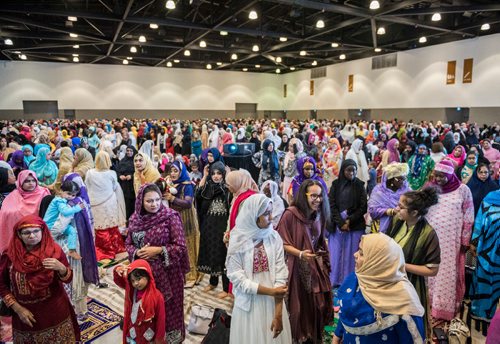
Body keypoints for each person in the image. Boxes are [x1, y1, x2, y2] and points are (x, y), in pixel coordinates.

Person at [332, 233, 425, 344]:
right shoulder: (355, 279)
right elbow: (345, 313)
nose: (355, 254)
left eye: (361, 253)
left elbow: (413, 339)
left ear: (378, 262)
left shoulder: (403, 301)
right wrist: (336, 338)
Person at [0, 215, 80, 343]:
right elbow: (2, 285)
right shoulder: (10, 255)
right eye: (26, 233)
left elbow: (68, 279)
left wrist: (62, 268)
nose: (32, 236)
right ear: (19, 235)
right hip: (25, 315)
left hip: (55, 310)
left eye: (36, 231)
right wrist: (18, 309)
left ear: (43, 231)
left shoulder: (54, 250)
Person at [126, 184, 190, 343]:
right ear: (141, 201)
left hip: (169, 274)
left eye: (157, 200)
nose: (154, 204)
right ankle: (148, 336)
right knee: (147, 306)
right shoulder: (134, 219)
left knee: (169, 307)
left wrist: (158, 250)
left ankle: (170, 338)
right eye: (149, 201)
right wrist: (136, 252)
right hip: (144, 274)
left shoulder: (170, 216)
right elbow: (128, 243)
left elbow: (180, 247)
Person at [226, 194, 292, 344]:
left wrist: (278, 314)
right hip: (248, 306)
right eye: (266, 213)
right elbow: (238, 279)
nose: (272, 216)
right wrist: (271, 291)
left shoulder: (273, 237)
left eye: (271, 212)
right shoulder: (238, 240)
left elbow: (281, 273)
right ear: (253, 215)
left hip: (273, 303)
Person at [277, 179, 332, 343]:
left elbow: (320, 239)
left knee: (316, 304)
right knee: (299, 305)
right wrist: (300, 254)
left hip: (315, 265)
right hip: (297, 267)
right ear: (304, 195)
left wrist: (323, 255)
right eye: (313, 196)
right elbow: (281, 241)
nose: (318, 200)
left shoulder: (318, 215)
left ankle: (311, 335)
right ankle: (299, 336)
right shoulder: (290, 214)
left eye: (320, 196)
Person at [386, 187, 440, 338]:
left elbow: (432, 270)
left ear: (414, 213)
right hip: (390, 281)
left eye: (401, 207)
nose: (397, 209)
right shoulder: (398, 220)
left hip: (411, 286)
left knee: (407, 329)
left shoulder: (428, 234)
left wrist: (402, 266)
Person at [425, 160, 474, 323]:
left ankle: (443, 308)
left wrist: (465, 239)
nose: (438, 179)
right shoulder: (430, 188)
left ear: (450, 175)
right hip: (430, 238)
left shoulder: (463, 190)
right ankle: (428, 304)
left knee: (446, 271)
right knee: (429, 269)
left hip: (450, 241)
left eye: (442, 176)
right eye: (436, 175)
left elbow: (468, 215)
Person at [328, 159, 367, 287]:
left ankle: (349, 282)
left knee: (351, 255)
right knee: (336, 253)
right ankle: (335, 281)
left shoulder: (360, 185)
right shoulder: (335, 185)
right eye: (349, 170)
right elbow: (331, 205)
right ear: (343, 170)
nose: (352, 173)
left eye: (354, 170)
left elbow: (363, 207)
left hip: (354, 226)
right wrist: (340, 222)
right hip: (337, 224)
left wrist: (350, 220)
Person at [162, 160, 201, 288]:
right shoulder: (171, 183)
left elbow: (188, 203)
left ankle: (192, 275)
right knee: (177, 245)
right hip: (174, 218)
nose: (172, 173)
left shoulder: (187, 185)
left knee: (188, 245)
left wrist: (172, 198)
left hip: (186, 217)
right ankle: (180, 273)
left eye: (175, 171)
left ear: (181, 172)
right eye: (171, 171)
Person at [196, 162, 231, 297]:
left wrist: (228, 177)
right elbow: (198, 196)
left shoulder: (227, 188)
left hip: (222, 227)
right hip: (209, 227)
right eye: (213, 173)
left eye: (219, 173)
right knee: (211, 252)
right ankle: (213, 282)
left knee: (223, 255)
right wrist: (204, 176)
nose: (216, 176)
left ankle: (226, 288)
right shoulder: (208, 187)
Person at [85, 151, 127, 262]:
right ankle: (114, 247)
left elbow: (87, 186)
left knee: (99, 226)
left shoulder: (90, 172)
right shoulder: (112, 173)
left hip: (94, 203)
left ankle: (103, 249)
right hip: (109, 203)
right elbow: (114, 187)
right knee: (110, 225)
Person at [113, 259, 166, 344]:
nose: (136, 283)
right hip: (133, 332)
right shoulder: (132, 291)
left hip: (148, 334)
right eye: (133, 281)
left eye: (138, 278)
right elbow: (120, 281)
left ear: (147, 275)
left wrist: (159, 339)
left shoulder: (157, 296)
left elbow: (161, 320)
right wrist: (117, 269)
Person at [0, 170, 50, 253]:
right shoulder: (14, 195)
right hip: (18, 234)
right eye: (27, 181)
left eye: (33, 180)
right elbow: (5, 214)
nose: (31, 183)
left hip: (37, 234)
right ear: (20, 182)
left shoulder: (43, 194)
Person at [470, 189, 500, 325]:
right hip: (487, 248)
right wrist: (474, 243)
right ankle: (480, 312)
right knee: (484, 278)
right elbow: (479, 220)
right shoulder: (491, 197)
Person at [43, 180, 85, 260]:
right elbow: (65, 212)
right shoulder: (58, 200)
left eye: (73, 195)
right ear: (61, 191)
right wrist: (77, 208)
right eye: (69, 193)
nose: (71, 197)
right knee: (51, 245)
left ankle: (72, 250)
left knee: (72, 231)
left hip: (59, 225)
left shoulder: (64, 200)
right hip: (51, 226)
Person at [368, 163, 411, 233]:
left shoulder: (406, 190)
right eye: (400, 179)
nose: (403, 182)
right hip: (380, 227)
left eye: (404, 179)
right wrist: (391, 211)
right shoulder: (379, 191)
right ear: (391, 179)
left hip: (401, 227)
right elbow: (372, 211)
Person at [116, 145, 138, 221]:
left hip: (132, 186)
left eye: (131, 151)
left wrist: (131, 176)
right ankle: (125, 219)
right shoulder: (122, 160)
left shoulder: (136, 161)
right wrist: (120, 176)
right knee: (124, 202)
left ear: (133, 152)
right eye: (127, 151)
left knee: (132, 203)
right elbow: (117, 171)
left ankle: (132, 219)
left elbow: (138, 172)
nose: (129, 152)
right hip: (124, 185)